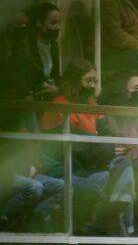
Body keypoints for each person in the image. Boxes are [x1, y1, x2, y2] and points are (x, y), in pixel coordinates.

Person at [34, 59, 111, 231]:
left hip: (89, 163)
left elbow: (106, 134)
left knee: (122, 168)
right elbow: (70, 148)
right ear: (75, 81)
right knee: (97, 188)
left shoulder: (91, 104)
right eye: (88, 81)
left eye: (95, 81)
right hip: (64, 167)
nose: (92, 85)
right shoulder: (61, 105)